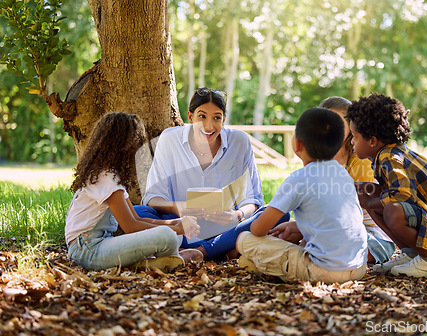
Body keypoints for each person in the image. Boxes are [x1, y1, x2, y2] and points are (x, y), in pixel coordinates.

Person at [135, 88, 289, 260]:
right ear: (190, 116)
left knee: (279, 213)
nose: (209, 126)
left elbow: (253, 199)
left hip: (225, 226)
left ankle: (200, 251)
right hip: (181, 225)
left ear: (223, 120)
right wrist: (180, 207)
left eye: (216, 117)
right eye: (202, 116)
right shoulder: (170, 139)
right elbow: (153, 197)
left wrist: (236, 216)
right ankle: (226, 248)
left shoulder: (240, 141)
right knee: (138, 212)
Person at [236, 107, 368, 284]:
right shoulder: (343, 174)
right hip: (359, 267)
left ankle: (265, 265)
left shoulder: (299, 179)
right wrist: (296, 226)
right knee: (255, 257)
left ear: (297, 144)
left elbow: (258, 230)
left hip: (323, 271)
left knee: (245, 240)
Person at [346, 93, 427, 277]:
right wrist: (365, 188)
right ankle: (412, 254)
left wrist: (370, 203)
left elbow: (402, 196)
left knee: (390, 210)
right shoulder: (386, 154)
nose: (352, 142)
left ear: (372, 140)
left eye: (354, 136)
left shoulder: (391, 157)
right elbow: (394, 190)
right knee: (378, 202)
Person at [65, 112, 202, 272]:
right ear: (126, 146)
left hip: (98, 244)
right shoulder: (105, 178)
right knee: (168, 236)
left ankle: (149, 262)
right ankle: (155, 261)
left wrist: (175, 224)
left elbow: (136, 218)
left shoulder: (111, 176)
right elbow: (131, 226)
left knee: (173, 235)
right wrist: (176, 229)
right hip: (88, 250)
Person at [319, 96, 396, 264]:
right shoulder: (318, 160)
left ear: (351, 127)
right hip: (334, 230)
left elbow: (352, 210)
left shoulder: (360, 161)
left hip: (372, 236)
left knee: (325, 243)